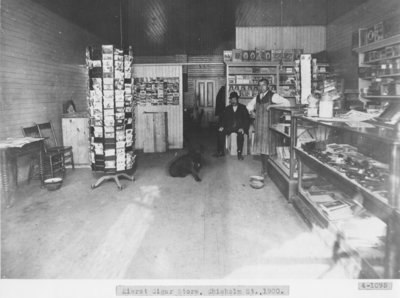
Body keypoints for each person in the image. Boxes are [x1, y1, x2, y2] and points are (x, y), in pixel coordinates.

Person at [247, 78, 291, 177]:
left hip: (269, 126)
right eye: (259, 85)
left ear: (268, 86)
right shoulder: (257, 97)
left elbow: (287, 103)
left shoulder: (273, 96)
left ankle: (269, 171)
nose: (261, 87)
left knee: (269, 148)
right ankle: (264, 169)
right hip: (259, 126)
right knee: (262, 149)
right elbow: (249, 106)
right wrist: (252, 112)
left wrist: (272, 106)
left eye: (263, 85)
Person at [215, 91, 250, 160]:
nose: (233, 101)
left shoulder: (243, 108)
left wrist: (243, 128)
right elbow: (223, 119)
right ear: (230, 100)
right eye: (232, 100)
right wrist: (221, 126)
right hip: (229, 127)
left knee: (240, 134)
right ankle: (221, 151)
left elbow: (247, 120)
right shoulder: (227, 108)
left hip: (239, 128)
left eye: (235, 99)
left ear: (237, 99)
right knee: (220, 132)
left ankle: (239, 153)